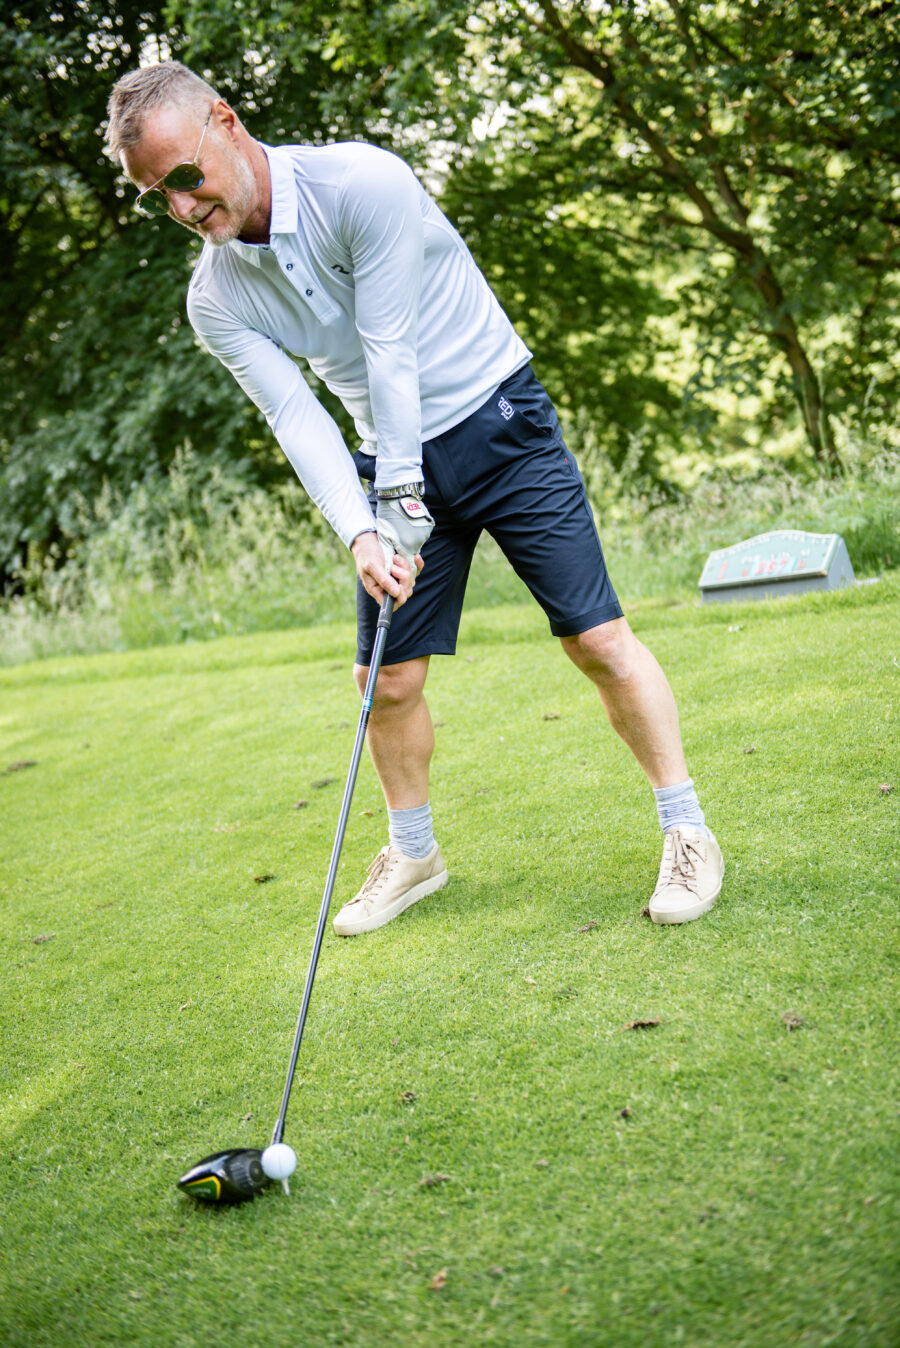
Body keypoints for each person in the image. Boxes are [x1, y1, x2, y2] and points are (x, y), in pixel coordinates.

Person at [106, 61, 724, 936]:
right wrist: (363, 528)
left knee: (597, 638)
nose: (180, 207)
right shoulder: (215, 298)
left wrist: (399, 494)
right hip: (383, 458)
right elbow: (295, 415)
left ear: (226, 121)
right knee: (384, 680)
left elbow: (387, 344)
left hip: (495, 419)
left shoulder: (363, 182)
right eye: (153, 195)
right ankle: (415, 853)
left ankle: (686, 830)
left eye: (183, 177)